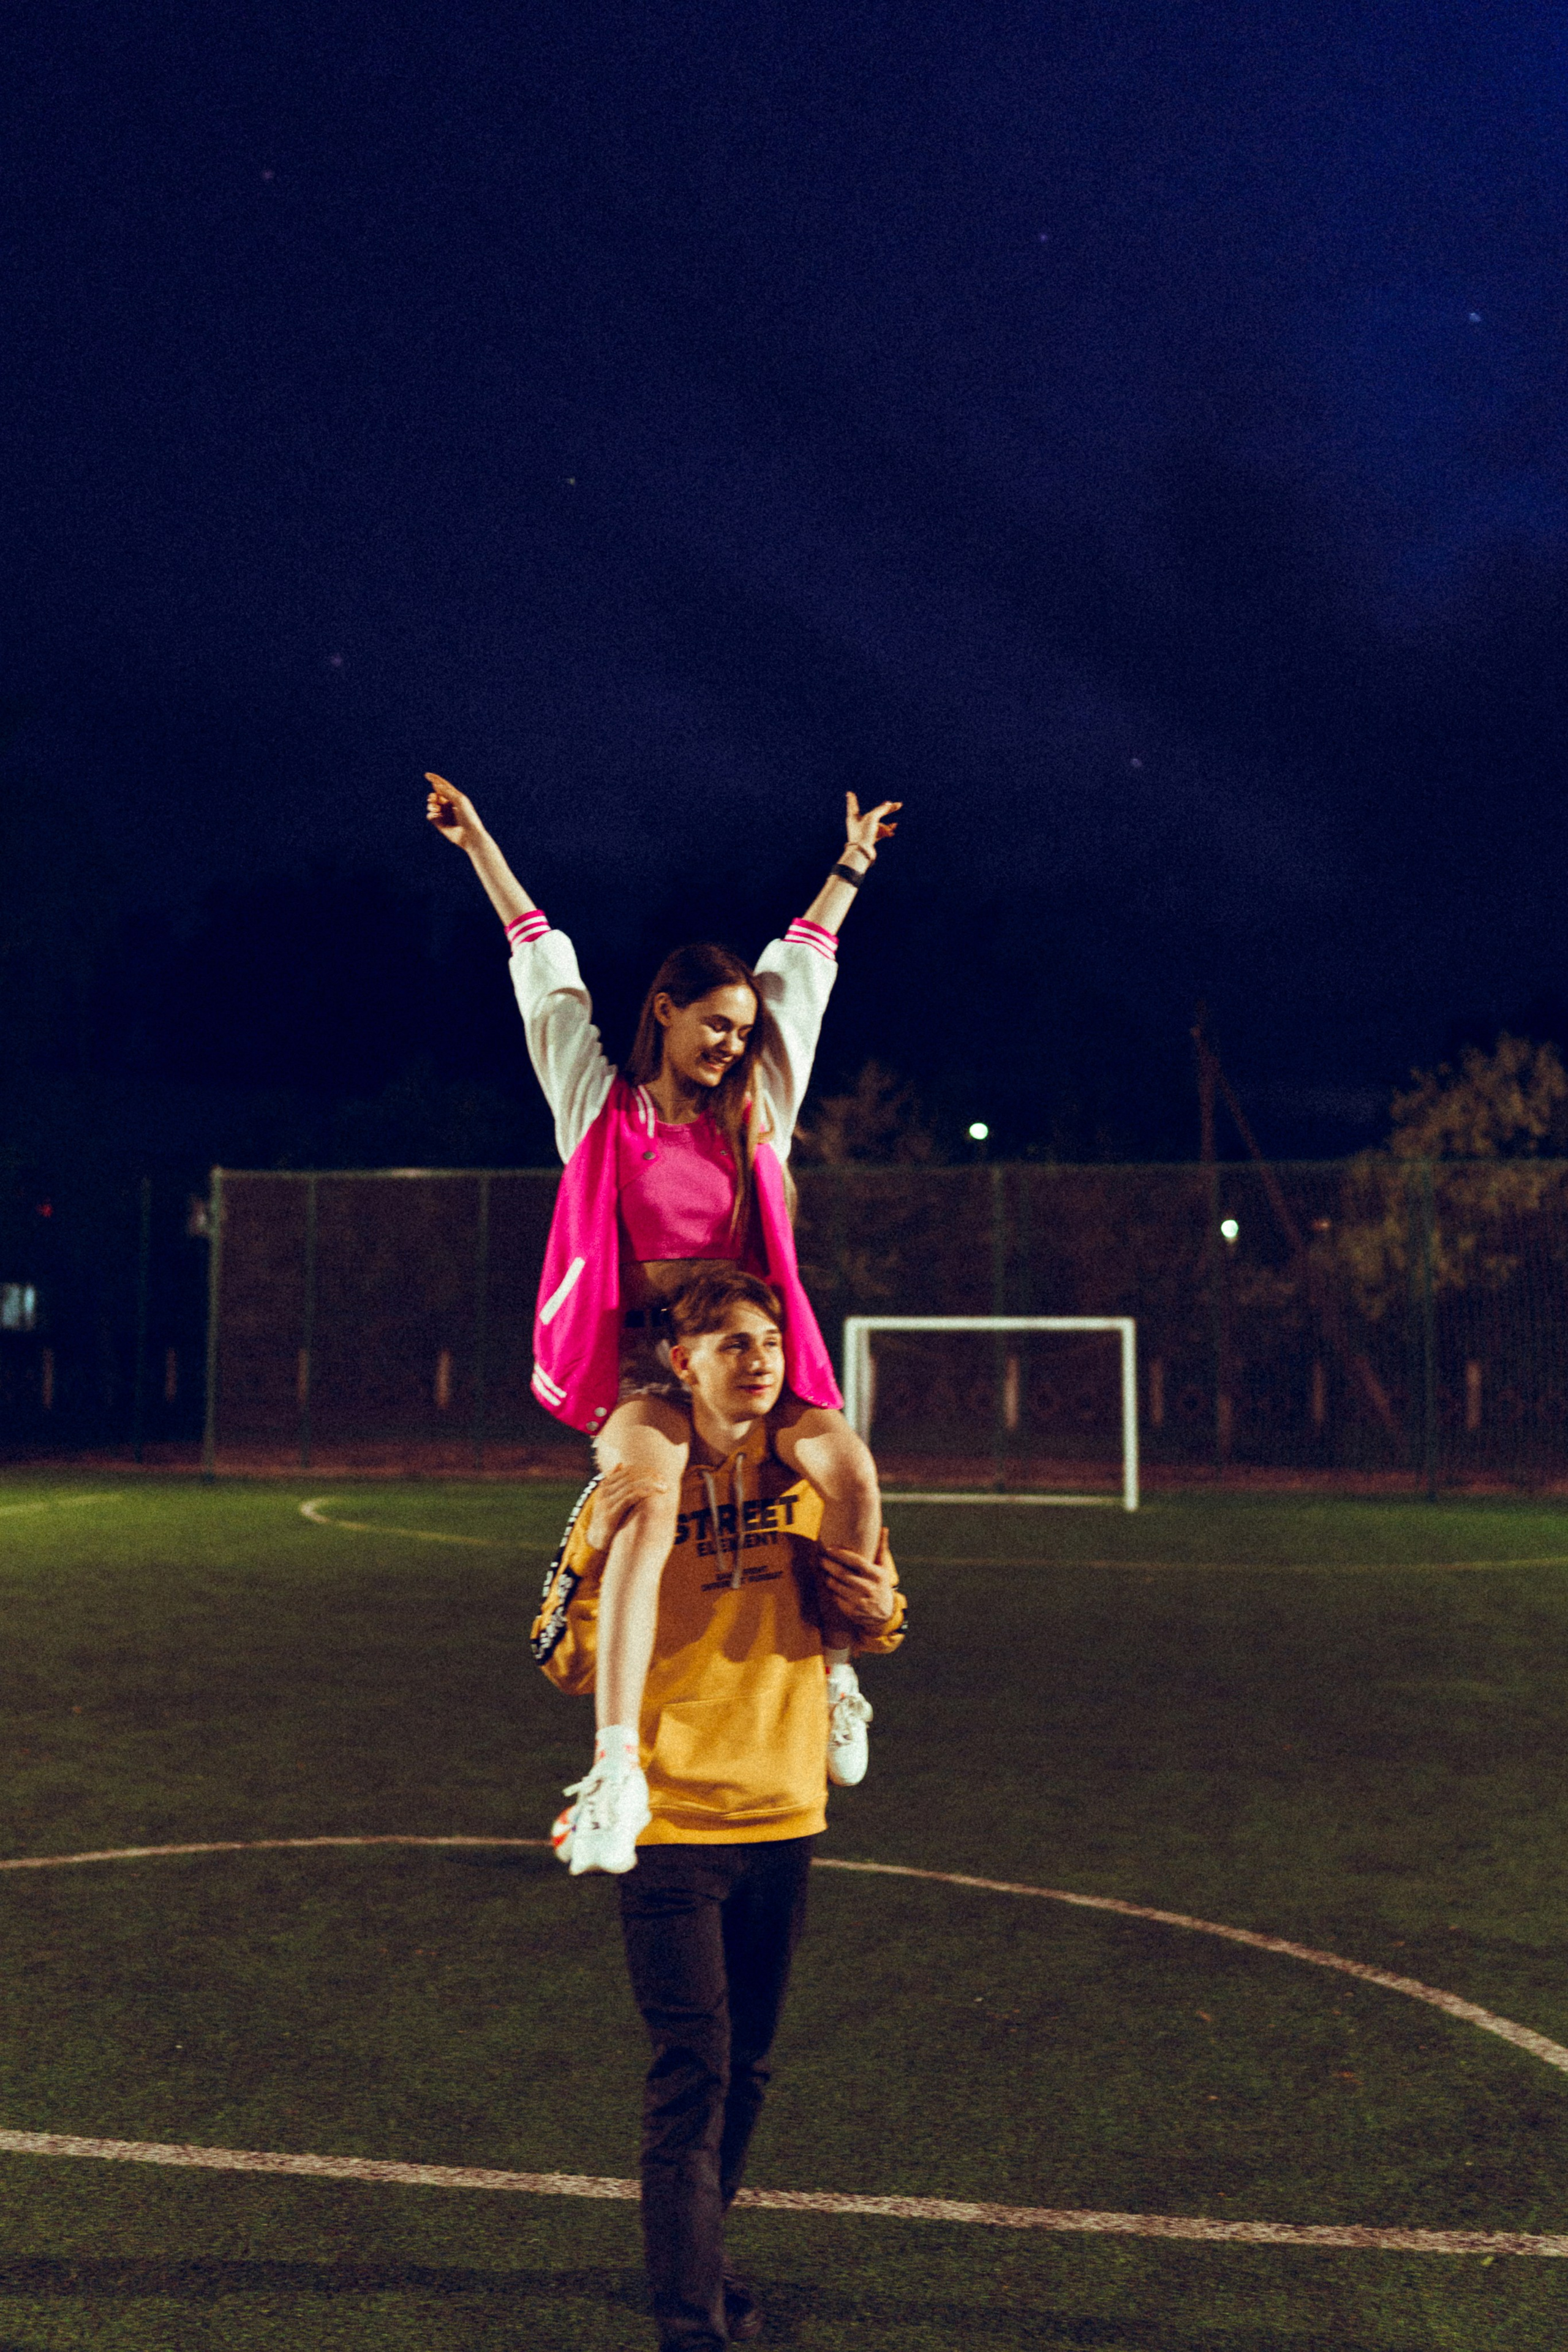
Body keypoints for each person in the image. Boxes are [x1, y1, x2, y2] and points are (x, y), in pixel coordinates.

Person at [426, 773, 899, 1869]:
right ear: (665, 1012)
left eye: (744, 1029)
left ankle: (840, 1685)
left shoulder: (758, 1113)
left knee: (856, 1475)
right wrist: (481, 844)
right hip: (654, 1370)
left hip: (747, 1365)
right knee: (643, 1501)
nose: (734, 1043)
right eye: (715, 1025)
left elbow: (805, 979)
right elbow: (544, 981)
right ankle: (613, 1771)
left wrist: (851, 868)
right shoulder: (602, 1110)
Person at [532, 1267, 906, 2352]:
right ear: (681, 1363)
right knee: (692, 2070)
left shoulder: (809, 1477)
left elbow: (882, 1617)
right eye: (732, 1343)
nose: (760, 1359)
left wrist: (879, 1611)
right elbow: (557, 1653)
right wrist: (596, 1548)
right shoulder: (639, 1480)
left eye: (771, 1341)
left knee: (748, 2066)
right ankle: (691, 2322)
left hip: (787, 1817)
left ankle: (696, 2259)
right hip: (671, 1828)